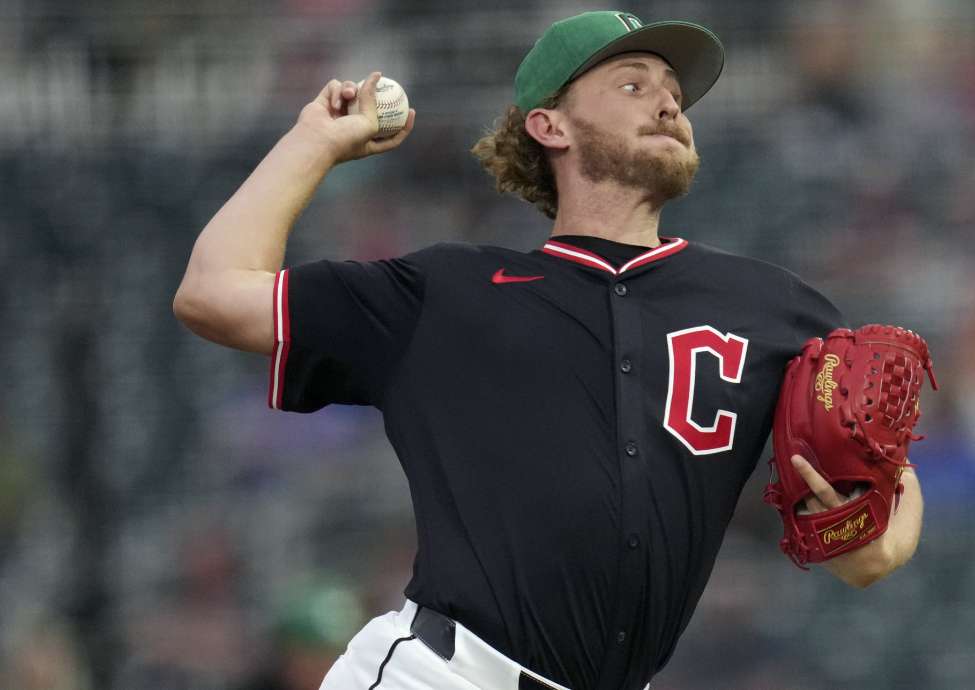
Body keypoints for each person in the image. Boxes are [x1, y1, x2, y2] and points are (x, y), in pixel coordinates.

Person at [173, 10, 924, 690]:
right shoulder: (447, 291)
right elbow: (212, 292)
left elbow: (871, 532)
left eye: (673, 91)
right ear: (550, 126)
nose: (667, 101)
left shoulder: (772, 308)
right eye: (633, 83)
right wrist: (315, 142)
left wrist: (885, 537)